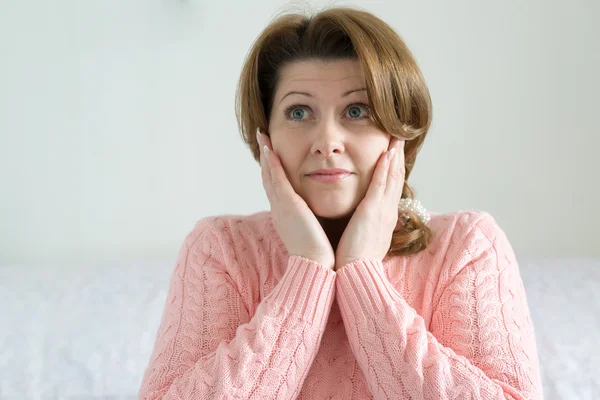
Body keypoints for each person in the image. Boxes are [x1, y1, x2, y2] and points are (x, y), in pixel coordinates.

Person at [138, 6, 543, 399]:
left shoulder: (466, 245)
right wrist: (308, 271)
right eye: (298, 111)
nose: (327, 142)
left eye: (357, 110)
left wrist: (361, 274)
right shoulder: (220, 249)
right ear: (266, 137)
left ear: (398, 133)